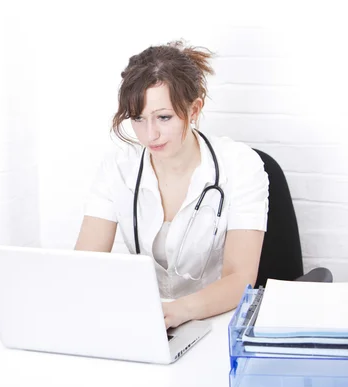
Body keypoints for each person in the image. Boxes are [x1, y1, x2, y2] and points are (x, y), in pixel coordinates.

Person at [75, 40, 269, 329]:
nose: (150, 135)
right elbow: (83, 267)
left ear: (193, 110)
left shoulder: (241, 166)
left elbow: (240, 278)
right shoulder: (117, 167)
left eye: (163, 118)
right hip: (148, 322)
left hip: (216, 320)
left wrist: (180, 311)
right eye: (138, 119)